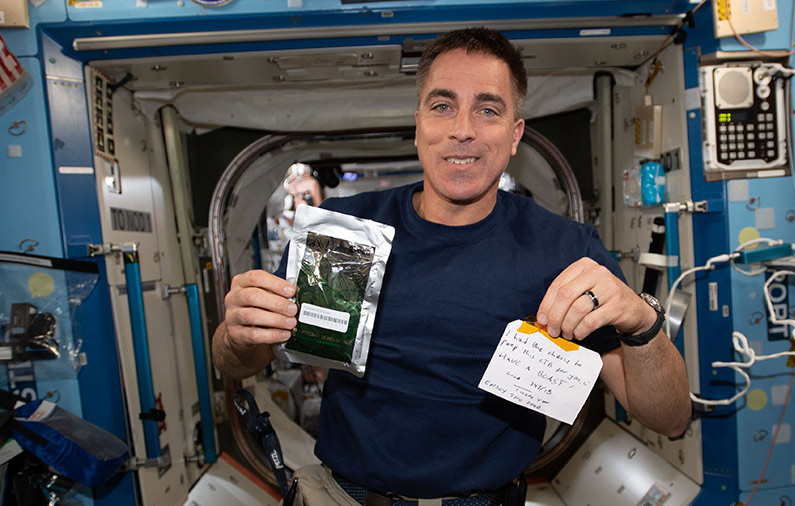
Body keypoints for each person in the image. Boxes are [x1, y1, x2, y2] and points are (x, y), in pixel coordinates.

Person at [212, 27, 691, 506]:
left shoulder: (563, 250)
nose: (463, 128)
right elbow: (239, 358)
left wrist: (642, 321)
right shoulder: (349, 230)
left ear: (515, 134)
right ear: (418, 123)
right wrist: (236, 334)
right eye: (443, 106)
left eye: (488, 109)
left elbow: (670, 418)